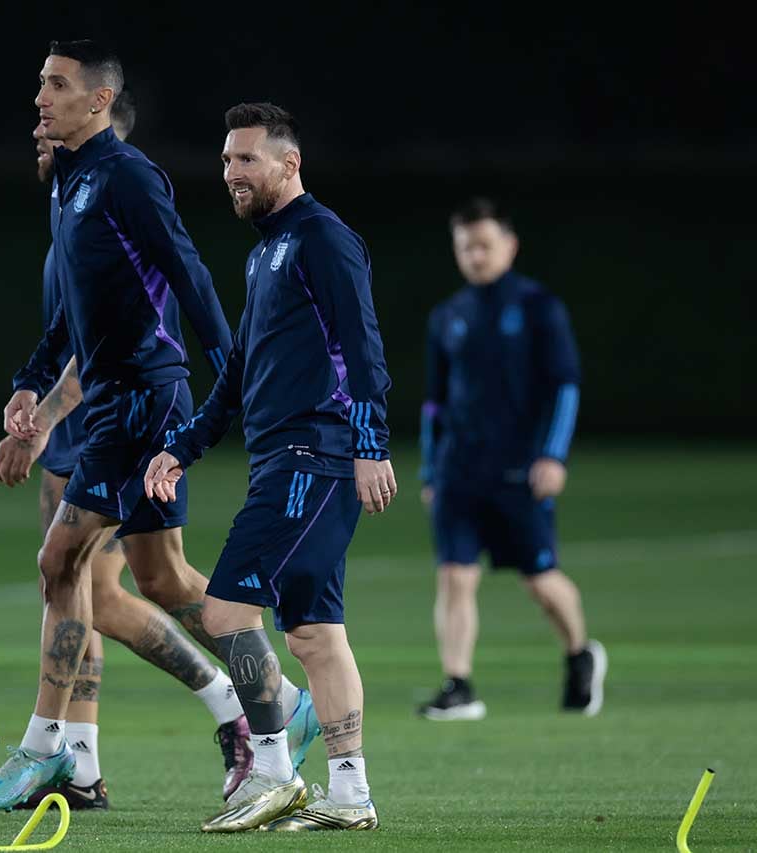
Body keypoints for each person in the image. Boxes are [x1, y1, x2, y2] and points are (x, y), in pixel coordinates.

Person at [0, 42, 319, 813]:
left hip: (143, 401)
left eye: (56, 85)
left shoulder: (126, 175)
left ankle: (43, 751)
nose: (40, 98)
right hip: (114, 403)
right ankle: (280, 697)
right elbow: (70, 314)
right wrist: (31, 384)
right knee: (159, 577)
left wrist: (232, 377)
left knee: (60, 560)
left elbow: (190, 271)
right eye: (40, 83)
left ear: (98, 101)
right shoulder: (67, 182)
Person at [145, 101, 394, 833]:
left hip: (313, 455)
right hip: (285, 458)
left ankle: (276, 773)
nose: (232, 172)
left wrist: (370, 441)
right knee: (315, 633)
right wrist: (183, 444)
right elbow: (241, 369)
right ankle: (349, 796)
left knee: (225, 610)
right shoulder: (264, 251)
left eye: (246, 158)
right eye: (226, 160)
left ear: (290, 163)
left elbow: (361, 342)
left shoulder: (322, 237)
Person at [417, 197, 606, 721]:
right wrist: (432, 468)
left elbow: (565, 386)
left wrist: (553, 455)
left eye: (485, 245)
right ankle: (459, 686)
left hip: (521, 471)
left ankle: (579, 653)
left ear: (510, 246)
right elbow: (434, 401)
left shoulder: (539, 307)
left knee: (541, 581)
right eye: (465, 247)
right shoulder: (447, 316)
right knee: (455, 577)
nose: (476, 256)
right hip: (459, 471)